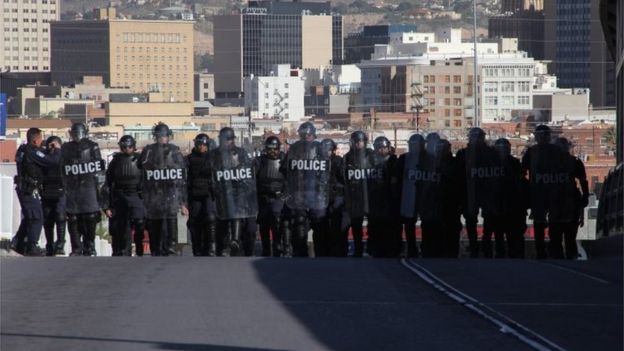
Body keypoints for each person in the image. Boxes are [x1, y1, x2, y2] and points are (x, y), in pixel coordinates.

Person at [139, 123, 188, 256]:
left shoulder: (175, 151)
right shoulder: (148, 151)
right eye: (159, 136)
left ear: (168, 136)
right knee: (155, 222)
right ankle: (156, 247)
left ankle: (171, 245)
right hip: (154, 193)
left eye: (164, 136)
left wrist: (182, 201)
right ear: (155, 137)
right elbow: (142, 169)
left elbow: (182, 176)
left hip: (170, 191)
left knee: (171, 218)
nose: (162, 139)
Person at [283, 122, 331, 257]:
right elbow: (285, 169)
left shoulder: (320, 149)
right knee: (299, 224)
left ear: (313, 135)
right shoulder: (294, 149)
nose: (306, 137)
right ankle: (300, 253)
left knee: (320, 222)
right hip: (299, 192)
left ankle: (321, 254)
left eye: (308, 134)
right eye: (303, 134)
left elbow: (327, 171)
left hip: (316, 193)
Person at [12, 128, 62, 256]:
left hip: (24, 187)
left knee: (29, 217)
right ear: (35, 140)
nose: (42, 142)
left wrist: (44, 150)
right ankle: (32, 246)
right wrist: (56, 150)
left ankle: (17, 243)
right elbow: (52, 161)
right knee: (36, 217)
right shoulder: (32, 152)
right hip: (29, 189)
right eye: (40, 139)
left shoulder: (23, 150)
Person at [210, 127, 258, 257]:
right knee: (222, 222)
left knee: (236, 214)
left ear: (232, 140)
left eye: (227, 140)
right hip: (221, 193)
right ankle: (222, 247)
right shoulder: (214, 154)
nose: (225, 142)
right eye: (223, 140)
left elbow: (249, 172)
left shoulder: (241, 153)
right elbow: (207, 172)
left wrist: (245, 185)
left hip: (238, 192)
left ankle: (235, 241)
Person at [61, 122, 106, 256]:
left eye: (79, 133)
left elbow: (99, 169)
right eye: (74, 133)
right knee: (73, 218)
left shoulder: (93, 146)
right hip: (72, 187)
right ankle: (76, 247)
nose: (77, 136)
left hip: (89, 186)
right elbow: (61, 168)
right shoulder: (66, 148)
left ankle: (89, 245)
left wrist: (99, 187)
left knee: (90, 217)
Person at [455, 128, 500, 258]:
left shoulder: (491, 153)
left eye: (478, 137)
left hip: (486, 190)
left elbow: (497, 173)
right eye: (474, 137)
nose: (476, 140)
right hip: (470, 191)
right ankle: (475, 246)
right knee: (471, 218)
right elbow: (458, 176)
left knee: (488, 218)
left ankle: (485, 244)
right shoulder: (463, 154)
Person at [521, 125, 562, 259]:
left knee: (552, 222)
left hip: (552, 193)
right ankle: (544, 251)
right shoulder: (532, 152)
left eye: (545, 135)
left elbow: (522, 172)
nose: (543, 138)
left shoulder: (555, 151)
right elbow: (522, 172)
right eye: (540, 135)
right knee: (541, 222)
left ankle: (552, 249)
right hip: (540, 193)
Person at [104, 135, 145, 256]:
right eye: (123, 147)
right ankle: (124, 251)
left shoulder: (140, 160)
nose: (126, 149)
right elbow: (108, 182)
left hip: (136, 195)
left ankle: (139, 247)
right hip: (120, 196)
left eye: (129, 146)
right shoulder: (115, 161)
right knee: (122, 226)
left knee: (139, 222)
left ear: (134, 147)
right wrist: (107, 205)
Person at [550, 137, 589, 259]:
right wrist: (585, 196)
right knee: (566, 236)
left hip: (565, 203)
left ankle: (562, 258)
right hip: (562, 203)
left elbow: (583, 181)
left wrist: (585, 197)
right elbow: (583, 181)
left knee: (561, 236)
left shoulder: (550, 164)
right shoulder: (574, 162)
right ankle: (567, 257)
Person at [342, 131, 374, 257]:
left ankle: (372, 248)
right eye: (356, 141)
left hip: (369, 195)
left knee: (372, 225)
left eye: (360, 141)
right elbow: (343, 176)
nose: (358, 144)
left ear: (365, 142)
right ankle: (358, 250)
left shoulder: (371, 156)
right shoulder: (347, 157)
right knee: (356, 225)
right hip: (354, 195)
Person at [255, 136, 288, 257]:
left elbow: (292, 178)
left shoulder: (285, 160)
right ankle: (266, 249)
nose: (273, 151)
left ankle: (277, 246)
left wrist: (286, 194)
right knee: (264, 224)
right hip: (263, 197)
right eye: (270, 149)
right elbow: (251, 177)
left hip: (279, 197)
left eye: (275, 149)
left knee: (277, 219)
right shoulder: (259, 161)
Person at [186, 133, 218, 256]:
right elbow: (185, 178)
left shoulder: (213, 158)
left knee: (210, 218)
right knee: (194, 221)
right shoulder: (189, 159)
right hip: (194, 193)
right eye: (199, 144)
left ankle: (212, 247)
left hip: (209, 192)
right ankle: (197, 248)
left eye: (204, 144)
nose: (201, 147)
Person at [368, 136, 400, 257]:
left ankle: (392, 251)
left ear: (388, 148)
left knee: (391, 230)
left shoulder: (394, 162)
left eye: (383, 148)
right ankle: (376, 251)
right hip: (375, 202)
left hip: (390, 203)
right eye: (378, 148)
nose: (381, 150)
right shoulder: (371, 162)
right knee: (376, 229)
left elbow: (395, 183)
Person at [397, 134, 425, 257]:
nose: (414, 147)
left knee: (427, 225)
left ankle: (426, 249)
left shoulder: (429, 159)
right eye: (412, 145)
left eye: (416, 145)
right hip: (408, 196)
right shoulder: (403, 159)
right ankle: (411, 249)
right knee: (408, 224)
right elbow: (396, 179)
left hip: (424, 197)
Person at [320, 138, 346, 257]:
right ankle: (322, 250)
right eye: (325, 150)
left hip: (335, 196)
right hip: (321, 197)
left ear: (333, 150)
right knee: (320, 225)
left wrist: (338, 187)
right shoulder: (318, 161)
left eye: (329, 150)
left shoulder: (338, 161)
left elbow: (343, 177)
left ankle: (336, 250)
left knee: (336, 224)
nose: (327, 152)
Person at [41, 136, 67, 256]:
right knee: (48, 219)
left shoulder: (64, 156)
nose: (51, 147)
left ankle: (60, 243)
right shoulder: (44, 156)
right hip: (47, 190)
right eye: (49, 145)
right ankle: (50, 245)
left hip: (60, 190)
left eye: (54, 145)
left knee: (60, 216)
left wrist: (58, 150)